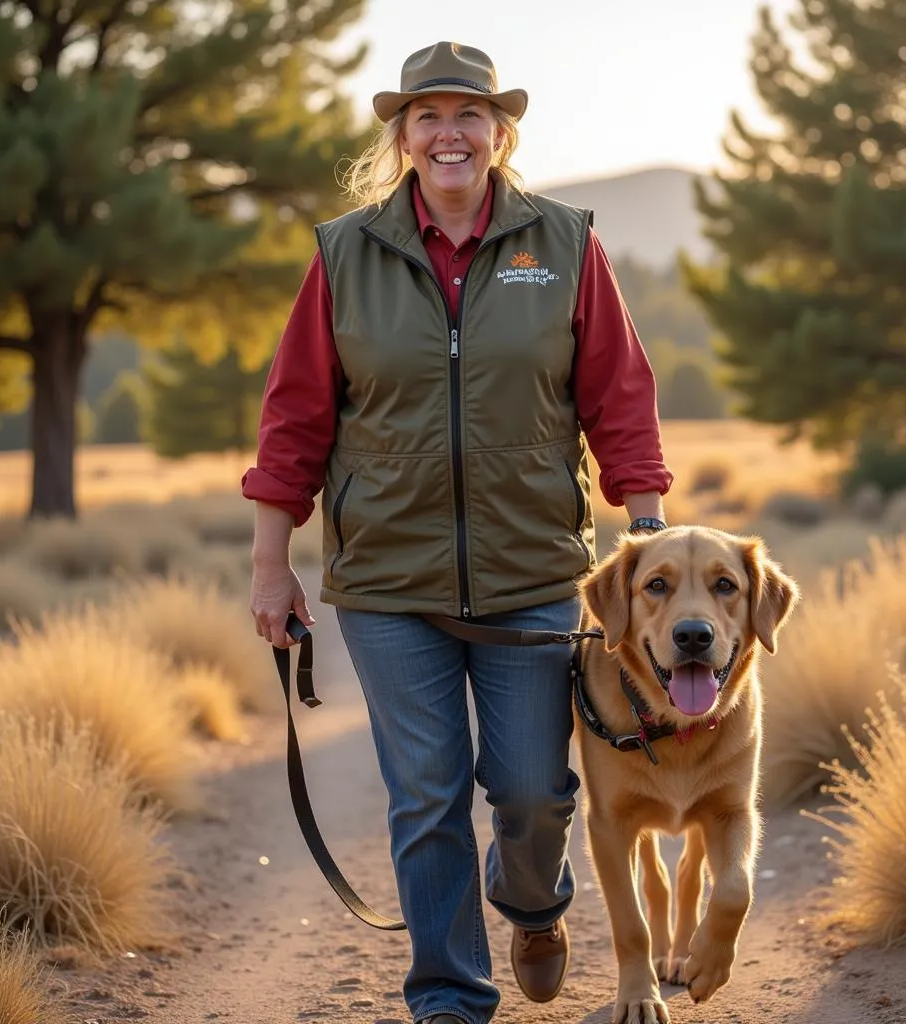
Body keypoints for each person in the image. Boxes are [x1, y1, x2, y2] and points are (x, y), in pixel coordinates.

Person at [242, 40, 673, 1024]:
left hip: (532, 573)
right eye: (428, 115)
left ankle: (533, 903)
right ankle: (448, 996)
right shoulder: (343, 254)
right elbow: (295, 419)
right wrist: (272, 565)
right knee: (425, 797)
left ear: (499, 131)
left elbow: (619, 393)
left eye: (468, 114)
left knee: (531, 792)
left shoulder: (563, 244)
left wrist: (644, 525)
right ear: (401, 136)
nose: (450, 132)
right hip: (390, 586)